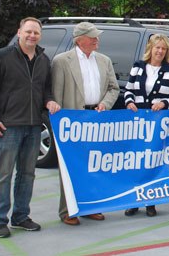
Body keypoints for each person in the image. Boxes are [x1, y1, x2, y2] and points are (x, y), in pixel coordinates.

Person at [0, 17, 61, 238]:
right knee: (3, 175)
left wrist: (49, 101)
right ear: (19, 32)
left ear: (40, 35)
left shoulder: (43, 59)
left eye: (36, 32)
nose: (32, 36)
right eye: (28, 32)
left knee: (27, 174)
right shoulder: (2, 56)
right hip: (9, 127)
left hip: (34, 126)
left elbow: (46, 90)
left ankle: (20, 216)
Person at [51, 22, 120, 225]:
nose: (97, 39)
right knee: (70, 166)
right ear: (79, 40)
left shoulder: (104, 60)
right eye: (92, 37)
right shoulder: (62, 61)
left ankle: (91, 206)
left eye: (97, 36)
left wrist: (105, 104)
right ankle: (68, 211)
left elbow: (113, 88)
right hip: (73, 122)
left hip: (97, 120)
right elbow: (57, 94)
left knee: (94, 165)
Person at [122, 34, 169, 217]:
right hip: (138, 122)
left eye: (163, 48)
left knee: (153, 161)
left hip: (158, 124)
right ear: (151, 48)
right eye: (157, 47)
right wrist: (129, 102)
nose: (160, 51)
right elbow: (128, 90)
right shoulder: (138, 67)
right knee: (136, 161)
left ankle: (151, 202)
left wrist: (164, 103)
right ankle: (134, 201)